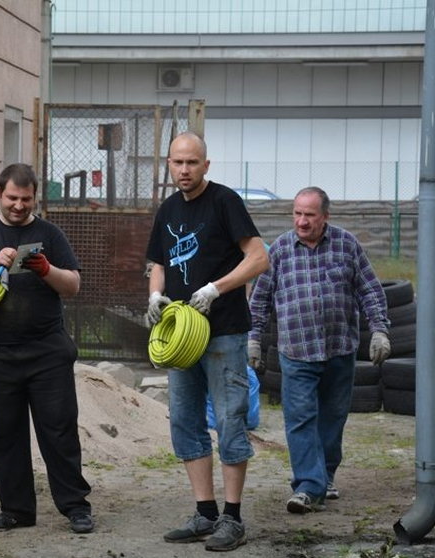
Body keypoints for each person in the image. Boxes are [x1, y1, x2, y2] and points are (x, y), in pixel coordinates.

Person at [145, 131, 269, 552]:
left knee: (231, 421)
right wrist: (154, 294)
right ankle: (205, 512)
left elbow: (259, 257)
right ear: (168, 165)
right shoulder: (167, 210)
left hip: (225, 333)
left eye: (192, 163)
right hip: (182, 337)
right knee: (185, 421)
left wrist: (217, 288)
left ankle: (233, 519)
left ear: (206, 165)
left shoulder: (225, 202)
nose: (184, 170)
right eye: (178, 163)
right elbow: (159, 262)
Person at [0, 163, 94, 534]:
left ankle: (75, 507)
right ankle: (16, 510)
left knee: (59, 430)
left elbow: (73, 286)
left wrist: (45, 268)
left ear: (35, 198)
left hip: (47, 352)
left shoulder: (49, 233)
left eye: (26, 199)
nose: (19, 205)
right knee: (2, 433)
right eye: (12, 198)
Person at [248, 186, 390, 514]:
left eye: (309, 215)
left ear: (325, 216)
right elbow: (260, 300)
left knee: (332, 417)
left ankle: (324, 476)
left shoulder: (346, 245)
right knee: (299, 418)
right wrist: (254, 339)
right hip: (296, 351)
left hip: (339, 349)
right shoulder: (281, 249)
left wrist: (380, 330)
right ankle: (308, 487)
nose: (302, 221)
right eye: (297, 213)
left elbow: (369, 289)